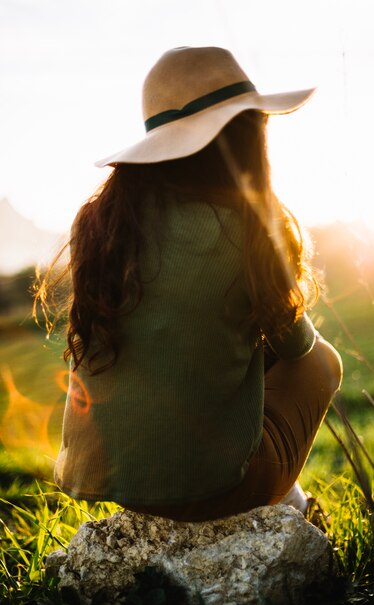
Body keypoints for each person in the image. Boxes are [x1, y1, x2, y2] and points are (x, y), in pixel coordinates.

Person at [37, 46, 342, 522]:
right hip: (211, 489)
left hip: (114, 482)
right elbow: (297, 347)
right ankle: (288, 506)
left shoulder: (99, 223)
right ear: (246, 134)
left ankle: (281, 496)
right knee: (323, 362)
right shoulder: (249, 226)